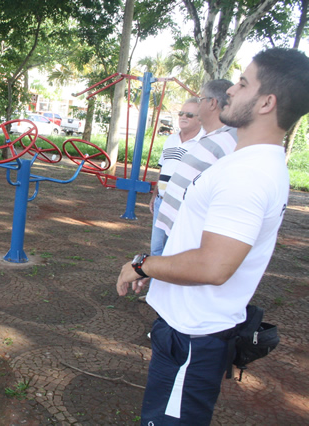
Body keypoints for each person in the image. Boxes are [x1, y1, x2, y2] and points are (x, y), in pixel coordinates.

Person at [116, 47, 309, 425]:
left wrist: (142, 266)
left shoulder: (248, 174)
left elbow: (214, 264)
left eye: (242, 83)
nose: (231, 92)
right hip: (189, 330)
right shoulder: (246, 161)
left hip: (194, 336)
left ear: (267, 102)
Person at [154, 79, 236, 249]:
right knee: (157, 254)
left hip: (187, 229)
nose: (198, 107)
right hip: (169, 216)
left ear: (212, 103)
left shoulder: (227, 141)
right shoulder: (209, 138)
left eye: (200, 100)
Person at [149, 98, 204, 256]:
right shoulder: (171, 139)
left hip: (183, 204)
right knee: (156, 250)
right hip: (162, 201)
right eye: (181, 113)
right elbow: (163, 169)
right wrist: (155, 195)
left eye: (189, 114)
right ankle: (154, 281)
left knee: (175, 251)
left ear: (201, 119)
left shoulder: (203, 143)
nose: (183, 117)